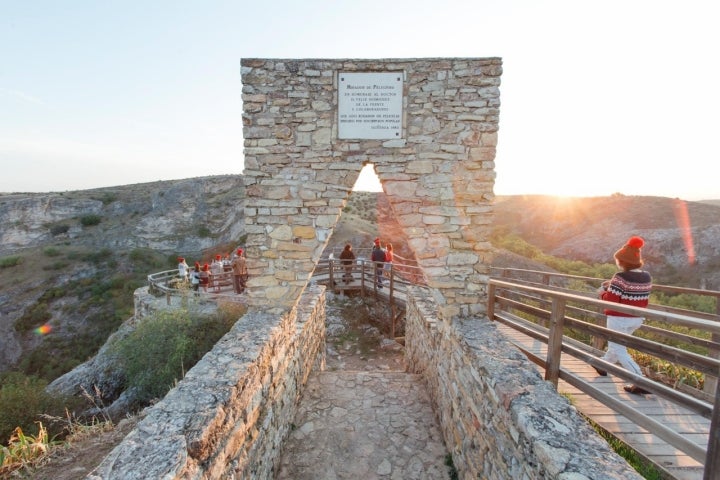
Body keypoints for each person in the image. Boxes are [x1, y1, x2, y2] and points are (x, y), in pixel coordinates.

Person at [595, 236, 653, 395]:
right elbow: (635, 294)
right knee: (617, 346)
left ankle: (639, 380)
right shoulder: (646, 276)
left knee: (618, 348)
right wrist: (612, 285)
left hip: (619, 318)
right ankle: (603, 365)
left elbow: (612, 301)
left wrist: (603, 291)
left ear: (622, 261)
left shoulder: (619, 278)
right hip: (636, 319)